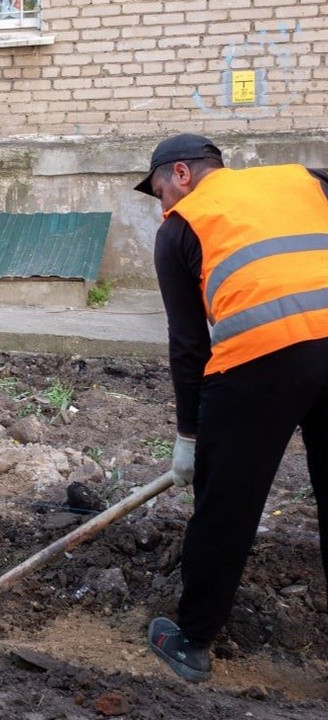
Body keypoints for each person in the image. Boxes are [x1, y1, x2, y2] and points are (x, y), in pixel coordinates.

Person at [134, 133, 328, 682]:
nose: (162, 206)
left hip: (261, 363)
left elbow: (189, 343)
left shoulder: (181, 226)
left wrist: (189, 437)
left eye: (158, 192)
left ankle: (192, 639)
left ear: (181, 174)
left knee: (227, 504)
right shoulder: (305, 179)